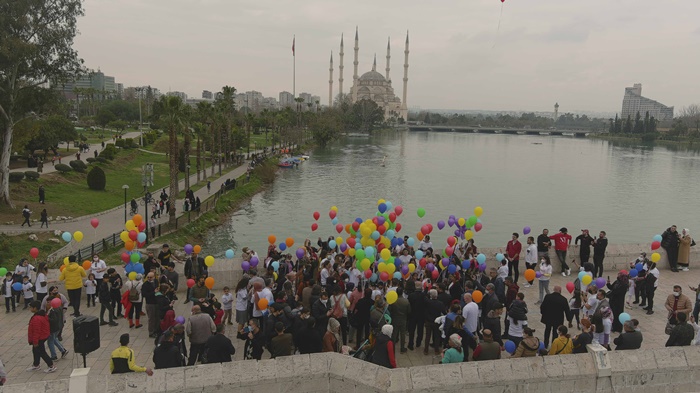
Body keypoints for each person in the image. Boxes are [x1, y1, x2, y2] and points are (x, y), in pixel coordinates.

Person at [26, 301, 56, 373]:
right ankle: (36, 365)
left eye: (31, 307)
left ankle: (51, 366)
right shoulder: (42, 315)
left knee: (41, 352)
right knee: (35, 351)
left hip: (40, 338)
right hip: (42, 336)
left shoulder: (37, 318)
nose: (30, 309)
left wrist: (35, 341)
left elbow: (37, 331)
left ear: (35, 308)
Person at [389, 286, 411, 353]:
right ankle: (402, 348)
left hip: (395, 319)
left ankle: (392, 348)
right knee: (402, 334)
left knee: (394, 334)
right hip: (403, 319)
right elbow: (409, 311)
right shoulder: (406, 301)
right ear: (402, 293)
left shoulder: (393, 301)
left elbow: (390, 310)